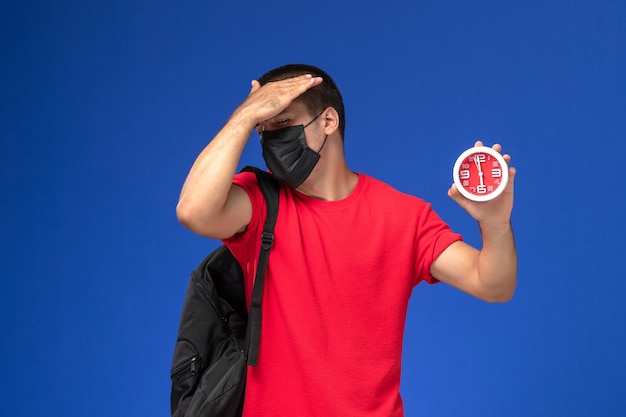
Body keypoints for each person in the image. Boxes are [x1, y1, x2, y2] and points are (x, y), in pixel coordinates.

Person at [176, 64, 517, 417]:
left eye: (282, 122)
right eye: (262, 130)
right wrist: (244, 115)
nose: (271, 139)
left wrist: (495, 223)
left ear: (328, 121)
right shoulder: (259, 203)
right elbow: (193, 211)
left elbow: (492, 285)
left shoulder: (403, 216)